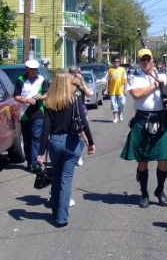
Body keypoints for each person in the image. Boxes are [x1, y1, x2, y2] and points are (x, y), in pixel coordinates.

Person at [121, 48, 167, 208]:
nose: (146, 62)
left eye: (148, 59)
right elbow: (136, 94)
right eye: (142, 60)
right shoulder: (134, 77)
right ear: (138, 61)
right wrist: (155, 85)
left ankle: (160, 190)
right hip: (142, 121)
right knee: (142, 160)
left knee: (163, 159)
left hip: (161, 121)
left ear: (152, 60)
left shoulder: (164, 76)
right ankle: (144, 193)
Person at [37, 71, 95, 227]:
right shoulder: (74, 100)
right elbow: (83, 123)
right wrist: (90, 142)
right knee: (66, 179)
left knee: (56, 176)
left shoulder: (49, 102)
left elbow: (45, 130)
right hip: (72, 142)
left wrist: (41, 152)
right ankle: (62, 217)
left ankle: (55, 211)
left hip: (55, 142)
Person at [15, 59, 45, 172]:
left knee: (36, 137)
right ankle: (29, 161)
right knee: (27, 139)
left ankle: (35, 163)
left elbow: (47, 93)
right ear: (27, 69)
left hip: (38, 112)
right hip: (25, 114)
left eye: (35, 69)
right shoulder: (20, 80)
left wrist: (41, 97)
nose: (33, 71)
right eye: (31, 69)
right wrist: (26, 100)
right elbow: (16, 96)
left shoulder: (42, 80)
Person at [105, 57, 128, 123]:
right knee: (114, 105)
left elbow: (125, 79)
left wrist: (125, 89)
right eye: (116, 61)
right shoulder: (110, 70)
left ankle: (120, 113)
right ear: (113, 62)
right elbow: (107, 80)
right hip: (112, 90)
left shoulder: (122, 69)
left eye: (118, 61)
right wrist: (106, 90)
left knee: (122, 103)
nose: (117, 62)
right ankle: (115, 118)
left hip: (121, 90)